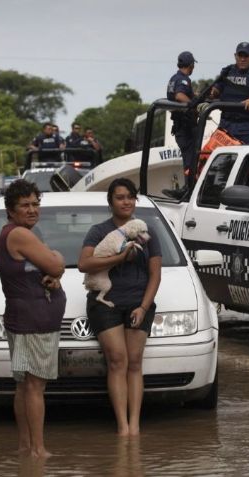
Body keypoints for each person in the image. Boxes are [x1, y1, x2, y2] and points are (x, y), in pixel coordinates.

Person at [77, 178, 161, 436]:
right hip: (106, 304)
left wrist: (144, 308)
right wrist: (120, 257)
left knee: (135, 362)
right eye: (120, 197)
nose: (126, 202)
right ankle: (122, 427)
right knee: (117, 361)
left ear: (135, 200)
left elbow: (155, 275)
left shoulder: (148, 232)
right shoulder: (99, 231)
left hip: (138, 304)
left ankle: (135, 425)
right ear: (110, 202)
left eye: (130, 197)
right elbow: (84, 265)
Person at [0, 179, 66, 458]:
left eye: (36, 204)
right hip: (33, 320)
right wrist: (57, 259)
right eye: (24, 205)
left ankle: (26, 447)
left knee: (24, 385)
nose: (32, 209)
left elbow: (44, 267)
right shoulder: (20, 235)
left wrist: (51, 271)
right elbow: (56, 264)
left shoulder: (12, 233)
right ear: (11, 210)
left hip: (25, 317)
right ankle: (38, 451)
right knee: (35, 386)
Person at [208, 41, 249, 144]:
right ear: (235, 56)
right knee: (213, 157)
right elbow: (217, 88)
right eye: (240, 55)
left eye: (246, 56)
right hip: (225, 126)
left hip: (247, 127)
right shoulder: (228, 71)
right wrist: (212, 92)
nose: (243, 59)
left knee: (248, 160)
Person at [166, 51, 198, 196]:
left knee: (188, 158)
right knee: (191, 159)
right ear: (191, 65)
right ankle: (189, 189)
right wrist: (193, 104)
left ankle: (188, 187)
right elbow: (179, 95)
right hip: (185, 127)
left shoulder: (174, 78)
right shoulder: (183, 79)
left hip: (180, 126)